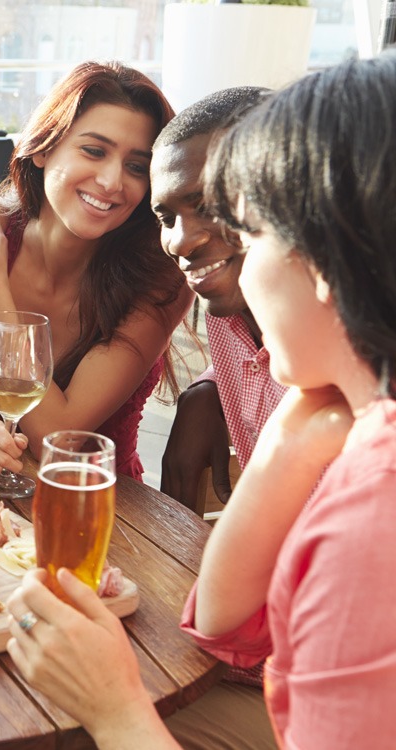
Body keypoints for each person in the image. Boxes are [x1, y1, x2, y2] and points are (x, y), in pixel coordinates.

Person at [5, 52, 396, 749]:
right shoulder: (339, 417)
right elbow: (222, 626)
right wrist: (281, 429)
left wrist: (116, 708)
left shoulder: (374, 519)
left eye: (253, 223)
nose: (201, 245)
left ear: (332, 255)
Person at [0, 62, 192, 483]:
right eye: (94, 150)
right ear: (42, 148)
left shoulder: (162, 276)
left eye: (136, 166)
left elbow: (59, 438)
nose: (111, 181)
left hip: (103, 510)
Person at [151, 86, 286, 511]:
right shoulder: (227, 306)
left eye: (207, 204)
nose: (180, 241)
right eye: (167, 217)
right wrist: (206, 390)